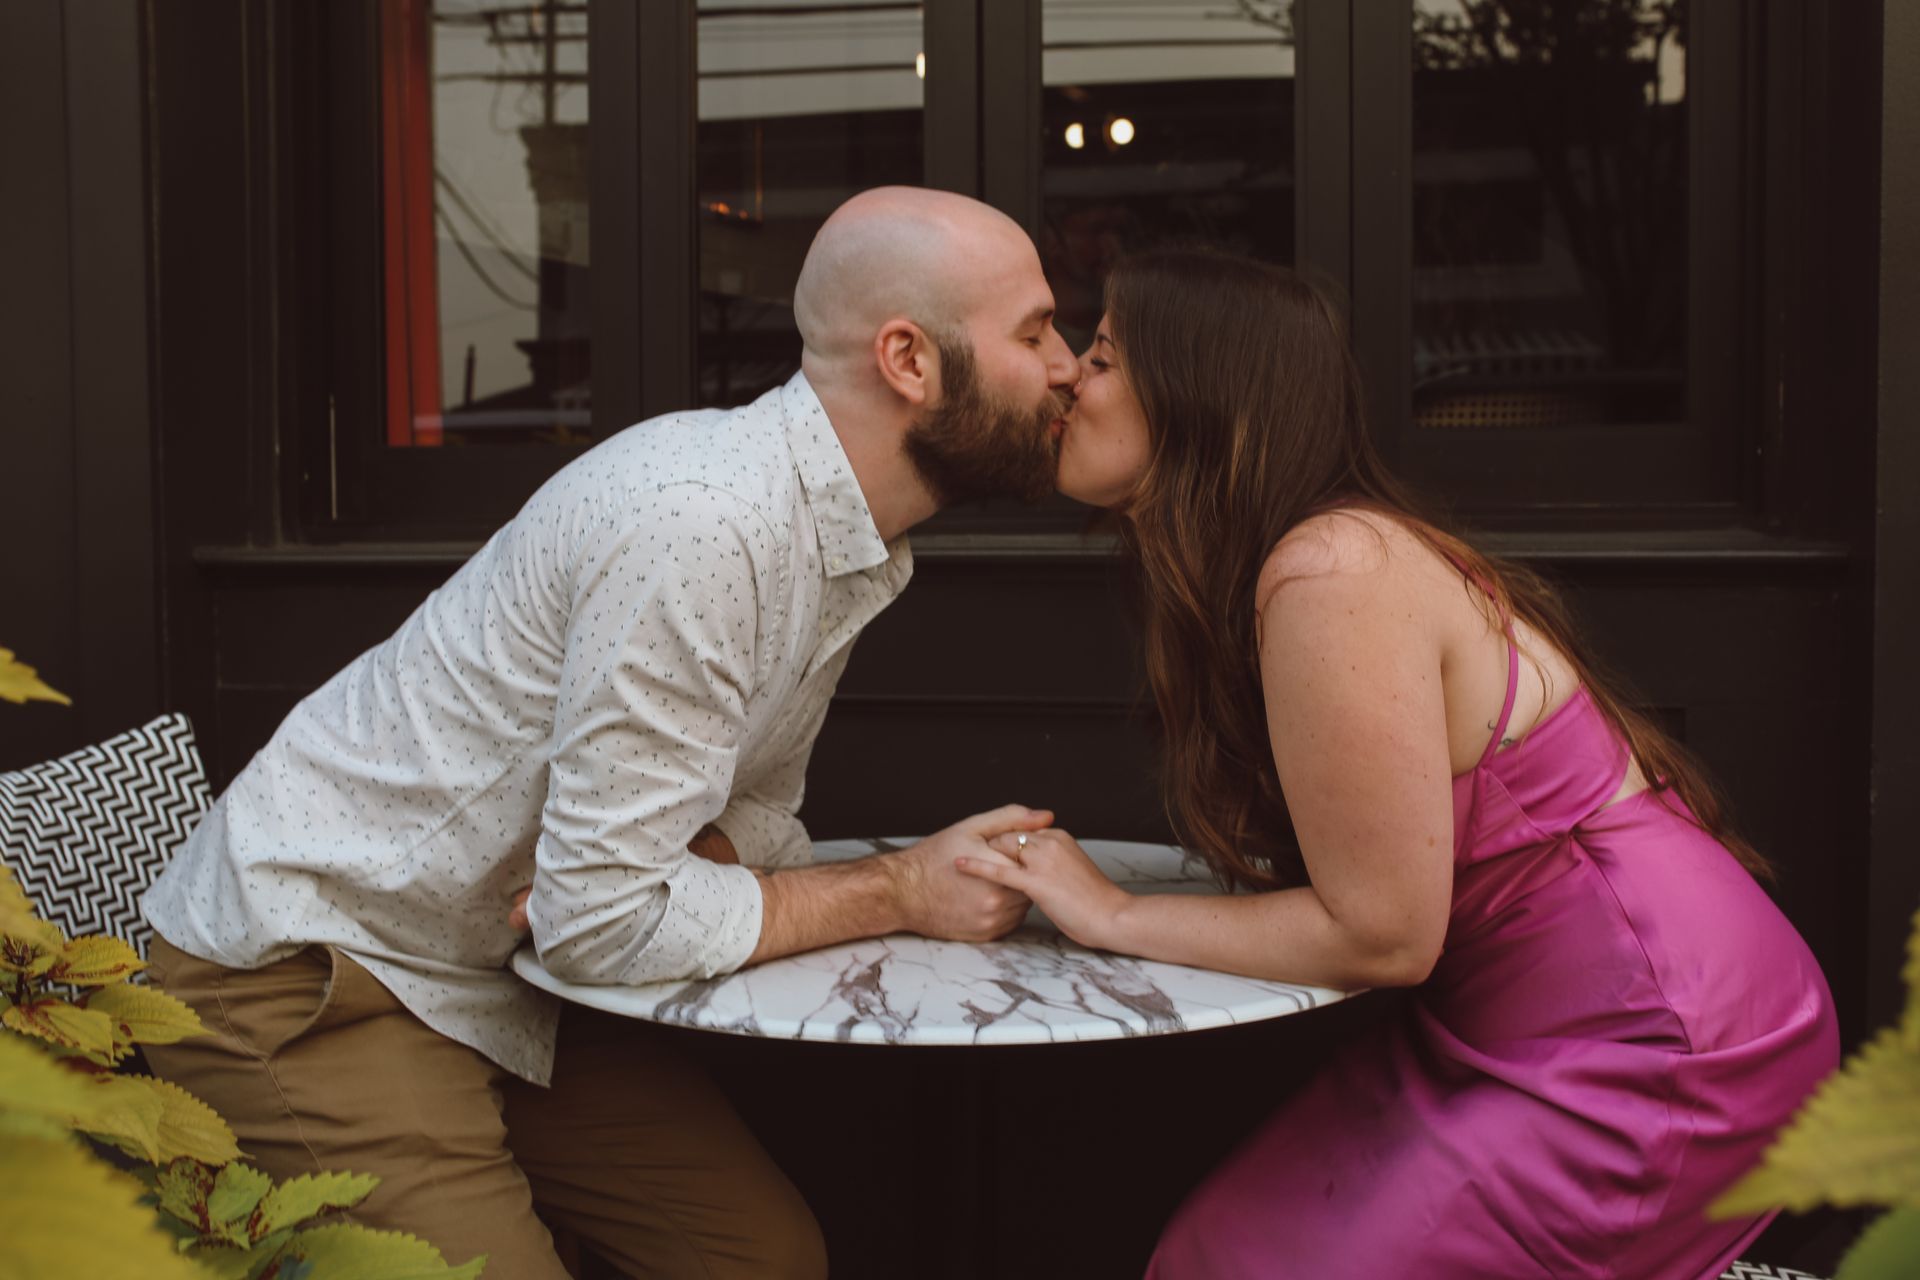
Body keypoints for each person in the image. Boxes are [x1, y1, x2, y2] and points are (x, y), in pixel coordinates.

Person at [138, 186, 1081, 1279]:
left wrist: (653, 887)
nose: (1065, 363)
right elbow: (604, 917)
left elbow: (756, 818)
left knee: (760, 1259)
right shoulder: (708, 522)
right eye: (1035, 330)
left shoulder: (851, 540)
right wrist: (895, 887)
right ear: (909, 360)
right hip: (319, 969)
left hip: (512, 969)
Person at [956, 248, 1839, 1278]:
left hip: (1662, 1042)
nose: (1065, 375)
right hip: (1503, 1019)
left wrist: (1109, 913)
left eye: (1100, 354)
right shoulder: (1280, 563)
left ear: (1200, 393)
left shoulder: (1333, 569)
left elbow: (1381, 930)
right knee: (1211, 1253)